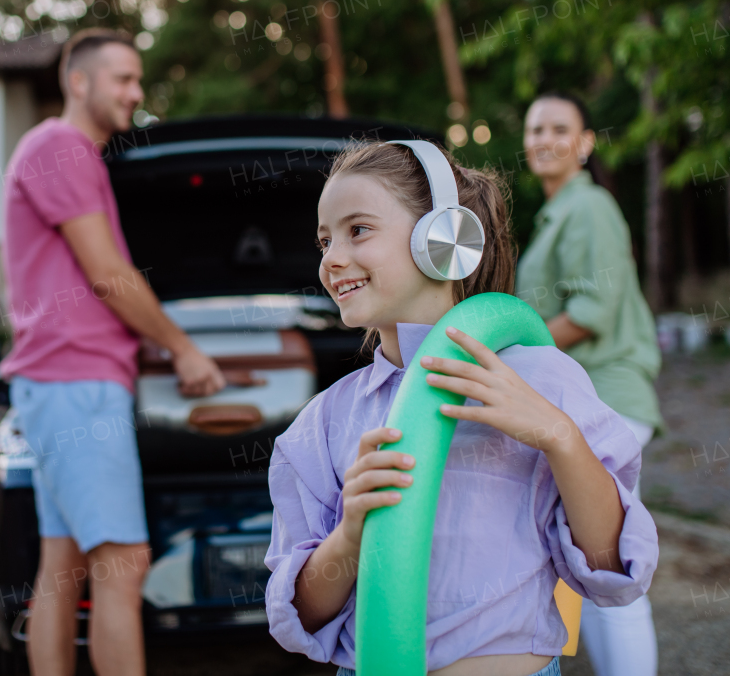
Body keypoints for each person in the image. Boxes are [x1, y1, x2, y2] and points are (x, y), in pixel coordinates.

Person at [264, 140, 657, 676]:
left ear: (443, 238)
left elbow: (613, 569)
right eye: (324, 240)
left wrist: (560, 438)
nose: (331, 258)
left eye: (358, 230)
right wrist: (351, 532)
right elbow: (304, 616)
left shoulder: (542, 380)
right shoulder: (326, 420)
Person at [0, 28, 226, 676]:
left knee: (61, 569)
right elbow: (108, 273)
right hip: (76, 382)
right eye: (123, 79)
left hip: (56, 383)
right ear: (79, 82)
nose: (136, 92)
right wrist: (181, 348)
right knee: (123, 565)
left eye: (137, 79)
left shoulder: (66, 153)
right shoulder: (61, 146)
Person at [516, 92, 664, 676]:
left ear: (584, 143)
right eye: (534, 129)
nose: (544, 138)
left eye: (559, 127)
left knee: (608, 565)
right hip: (582, 403)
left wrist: (508, 363)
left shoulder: (590, 206)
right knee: (585, 564)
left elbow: (591, 310)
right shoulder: (557, 212)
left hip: (607, 400)